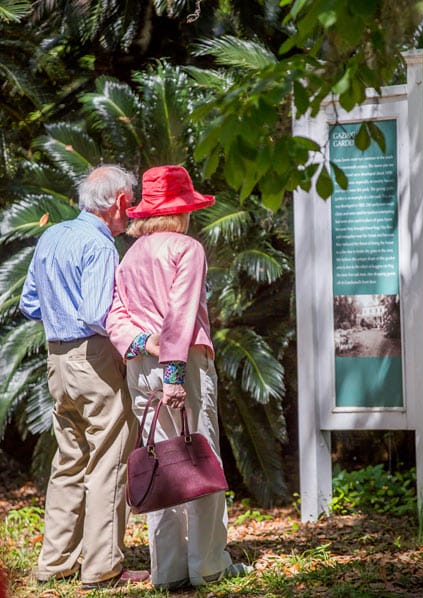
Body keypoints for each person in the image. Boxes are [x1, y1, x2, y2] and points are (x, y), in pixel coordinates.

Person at [106, 164, 251, 590]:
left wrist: (142, 344)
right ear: (180, 210)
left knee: (159, 462)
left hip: (140, 368)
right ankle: (208, 566)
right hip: (183, 366)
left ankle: (167, 570)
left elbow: (115, 317)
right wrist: (172, 371)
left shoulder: (130, 256)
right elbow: (181, 314)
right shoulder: (187, 248)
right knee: (200, 457)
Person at [19, 165, 150, 589]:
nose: (132, 210)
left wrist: (60, 313)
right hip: (93, 358)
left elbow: (29, 303)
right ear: (119, 202)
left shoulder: (51, 236)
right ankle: (103, 568)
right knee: (110, 458)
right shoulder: (100, 245)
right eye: (131, 201)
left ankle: (55, 562)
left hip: (56, 358)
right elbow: (97, 314)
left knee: (69, 459)